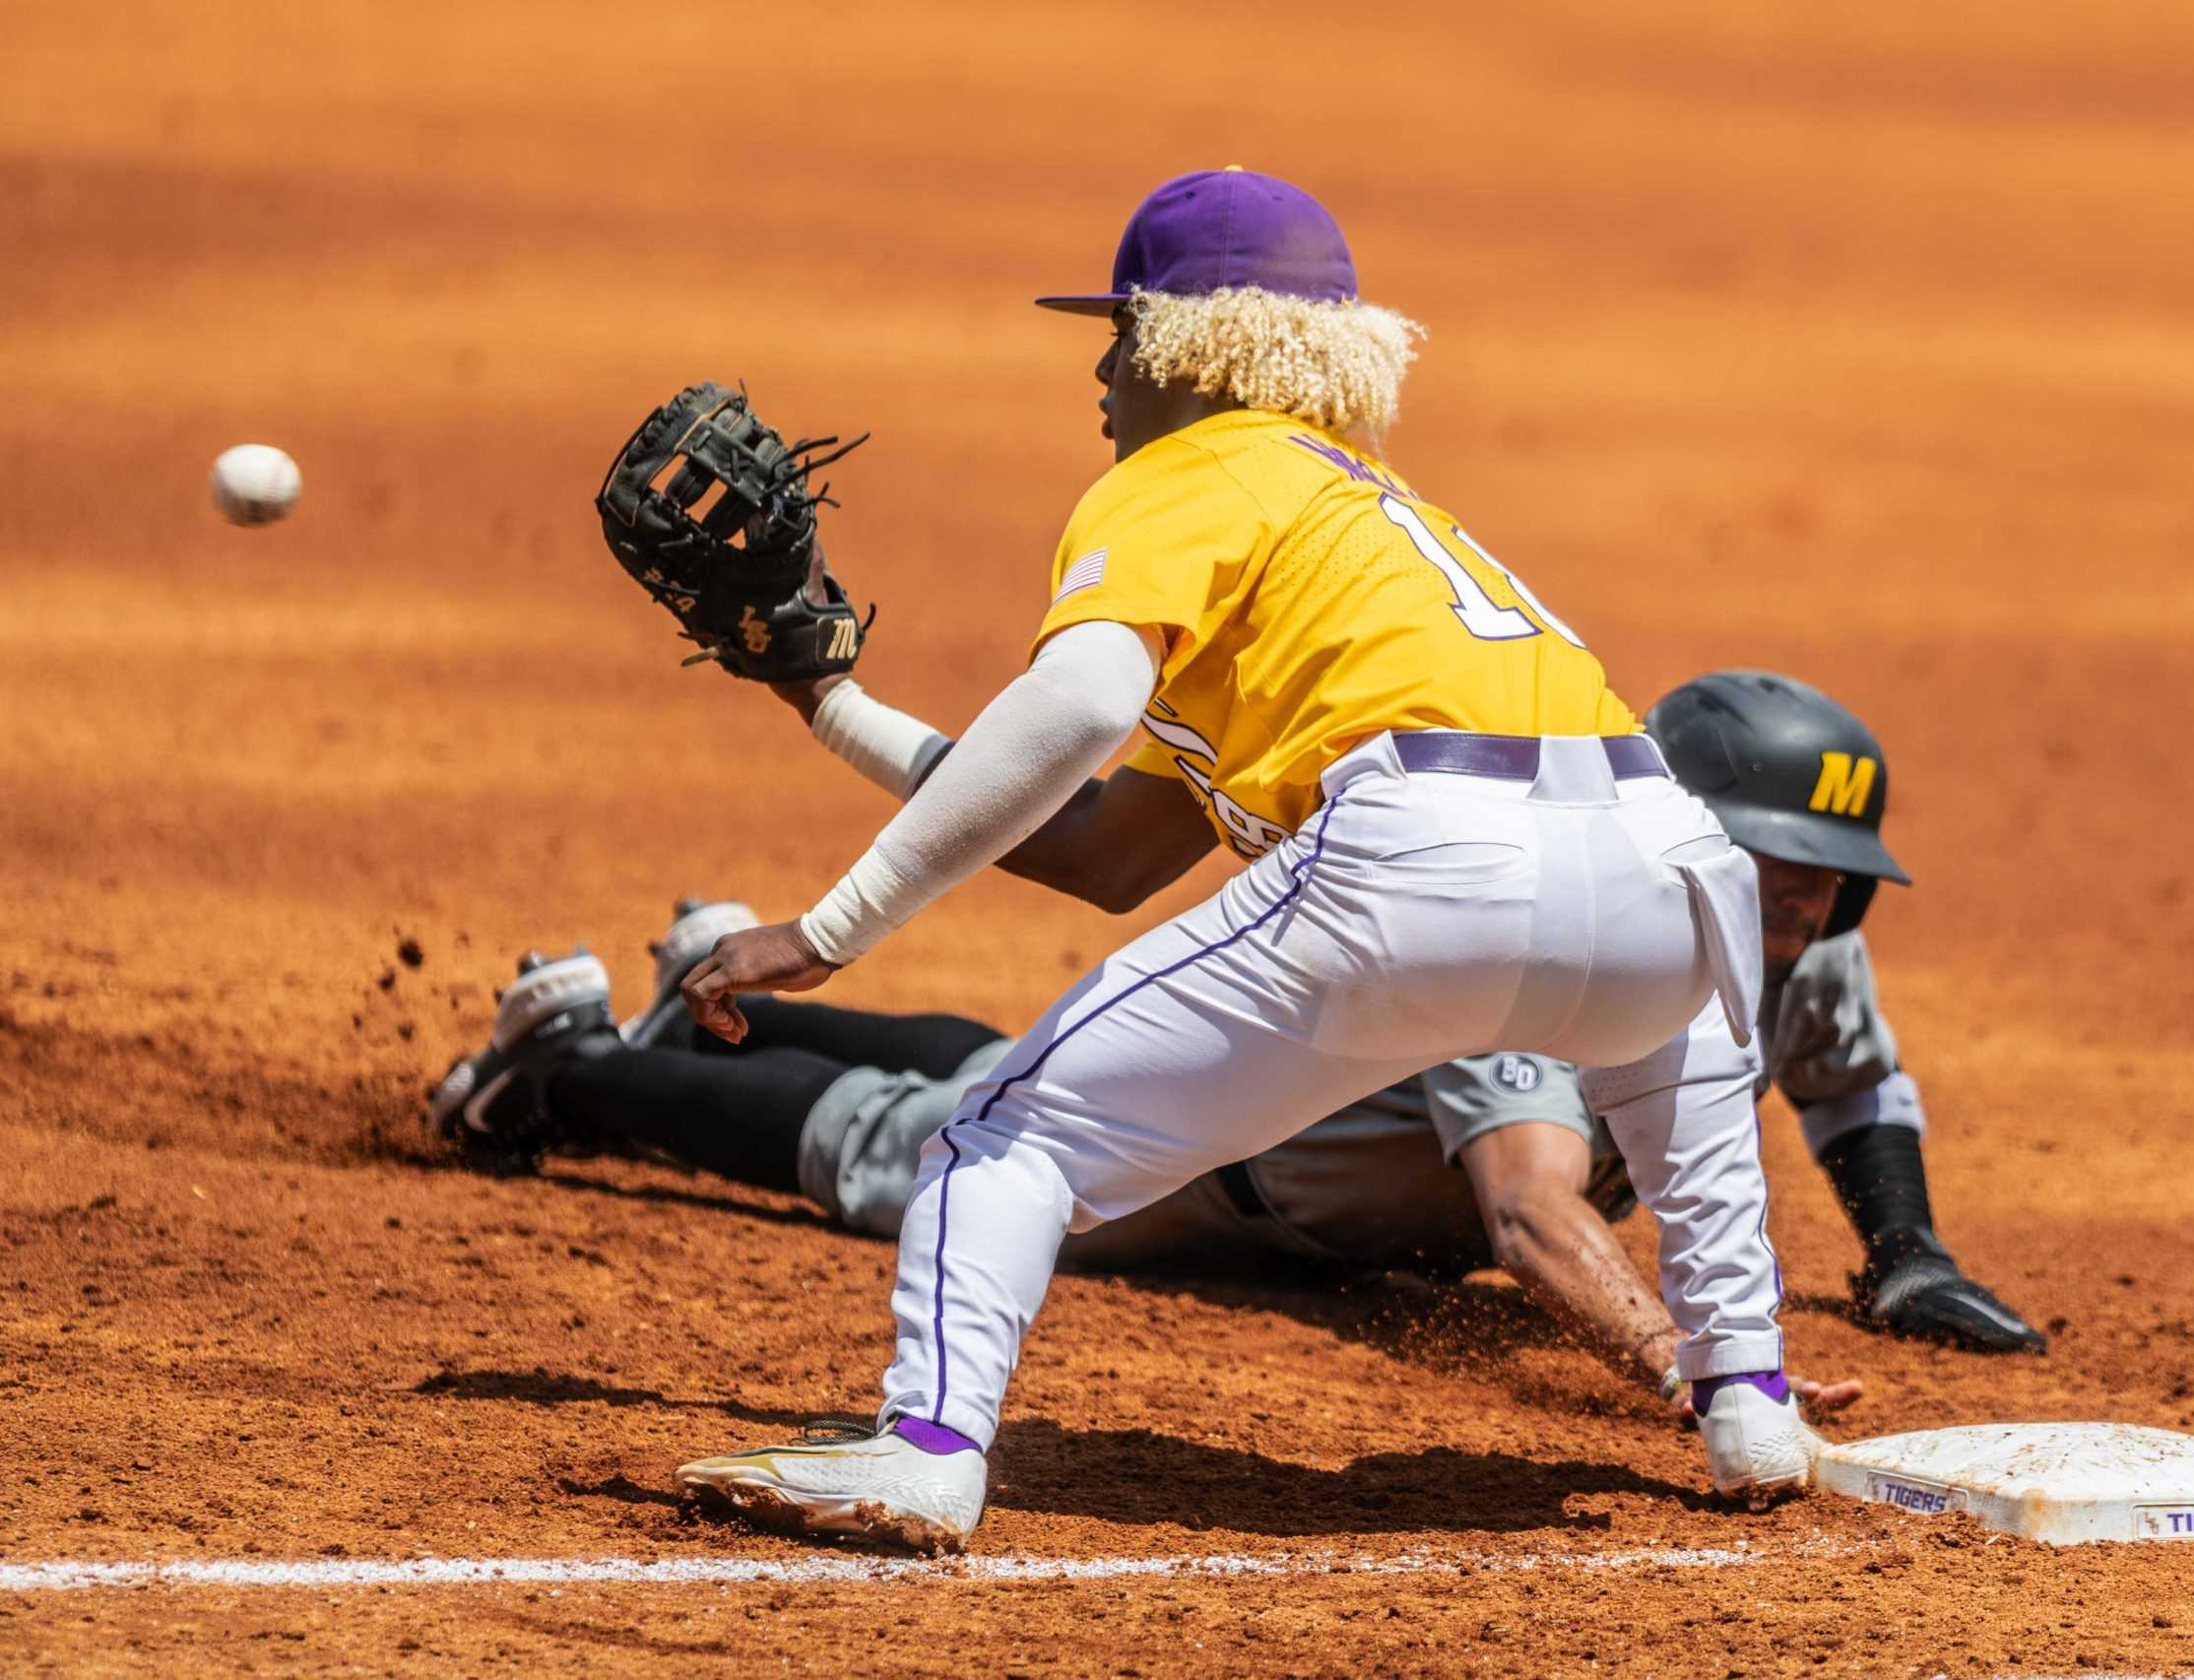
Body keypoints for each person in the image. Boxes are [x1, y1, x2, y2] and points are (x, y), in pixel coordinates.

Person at [641, 167, 1804, 1551]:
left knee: (1009, 1134)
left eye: (1118, 333)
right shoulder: (1365, 527)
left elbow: (1073, 713)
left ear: (1193, 349)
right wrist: (829, 704)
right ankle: (1750, 1406)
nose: (1098, 367)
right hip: (1662, 864)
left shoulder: (1183, 473)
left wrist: (832, 927)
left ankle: (928, 1447)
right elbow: (1107, 848)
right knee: (1670, 1057)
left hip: (1424, 859)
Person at [430, 901, 1868, 1417]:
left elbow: (1863, 1075)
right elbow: (1529, 1210)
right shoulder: (1557, 973)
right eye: (1783, 885)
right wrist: (1694, 1364)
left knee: (989, 1057)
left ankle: (711, 985)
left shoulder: (1754, 956)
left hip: (1220, 1102)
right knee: (909, 1147)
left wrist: (1911, 1246)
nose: (1802, 919)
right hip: (1184, 1170)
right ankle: (570, 1063)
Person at [1643, 672, 2045, 1354]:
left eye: (1829, 866)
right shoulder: (1561, 951)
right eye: (1781, 855)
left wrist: (1906, 1252)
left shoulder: (1804, 952)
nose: (1806, 895)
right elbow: (1524, 1201)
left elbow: (1853, 1086)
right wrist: (1663, 1353)